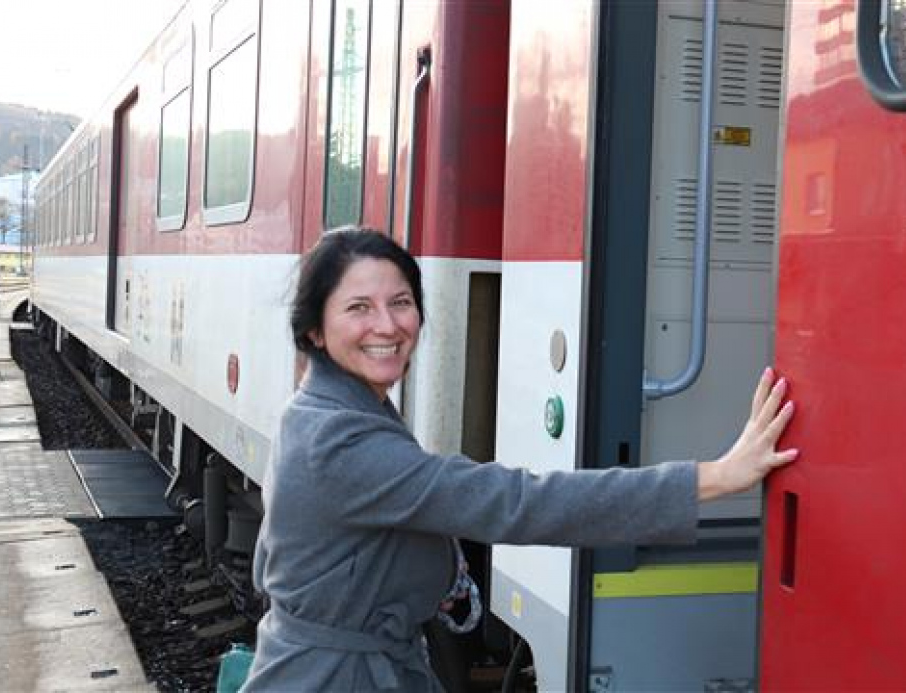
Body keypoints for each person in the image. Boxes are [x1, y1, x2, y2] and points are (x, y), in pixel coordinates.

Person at [244, 227, 798, 692]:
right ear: (315, 329)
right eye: (358, 308)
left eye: (401, 302)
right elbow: (519, 502)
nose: (387, 326)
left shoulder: (329, 408)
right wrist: (715, 478)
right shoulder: (337, 438)